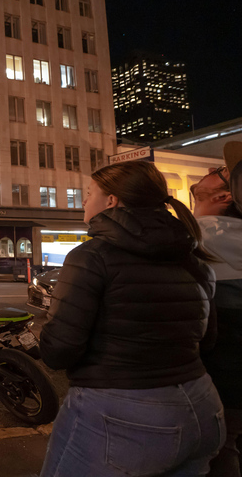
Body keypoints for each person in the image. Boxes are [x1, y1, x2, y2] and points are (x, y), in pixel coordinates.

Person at [39, 160, 224, 477]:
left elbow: (59, 350)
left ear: (111, 200)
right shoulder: (192, 256)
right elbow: (207, 339)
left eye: (88, 192)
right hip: (203, 406)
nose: (84, 200)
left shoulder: (91, 256)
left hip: (121, 414)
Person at [194, 143, 242, 477]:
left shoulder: (198, 238)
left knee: (218, 452)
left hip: (221, 380)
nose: (213, 170)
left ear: (226, 196)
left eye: (222, 173)